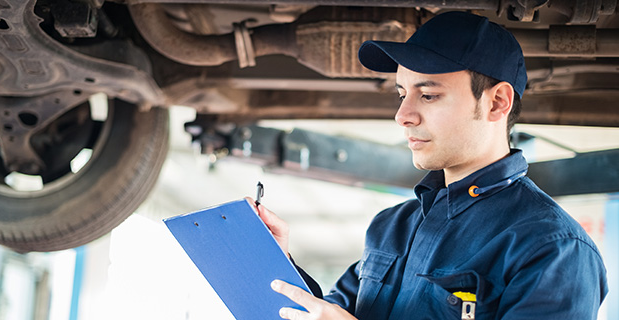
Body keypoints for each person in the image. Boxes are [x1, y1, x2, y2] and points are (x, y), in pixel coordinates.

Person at [248, 10, 608, 319]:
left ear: (498, 102)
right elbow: (330, 311)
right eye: (402, 94)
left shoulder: (553, 248)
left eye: (429, 95)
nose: (402, 115)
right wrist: (277, 261)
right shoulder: (392, 226)